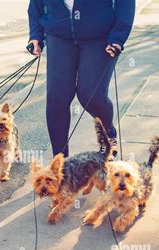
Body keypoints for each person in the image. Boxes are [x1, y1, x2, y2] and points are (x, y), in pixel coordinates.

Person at [28, 0, 136, 157]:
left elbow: (125, 4)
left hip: (99, 37)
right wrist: (36, 34)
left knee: (91, 95)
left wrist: (118, 37)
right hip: (59, 35)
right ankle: (60, 162)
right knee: (57, 97)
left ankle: (108, 134)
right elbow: (36, 4)